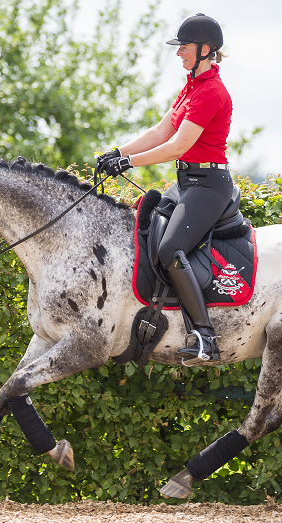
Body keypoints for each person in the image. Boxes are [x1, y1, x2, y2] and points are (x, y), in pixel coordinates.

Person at [99, 13, 233, 365]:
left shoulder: (213, 92)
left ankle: (205, 337)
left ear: (205, 50)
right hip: (186, 182)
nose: (179, 54)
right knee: (139, 226)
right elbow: (161, 131)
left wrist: (128, 164)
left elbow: (177, 145)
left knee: (172, 247)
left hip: (209, 185)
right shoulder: (191, 87)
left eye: (184, 48)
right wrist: (117, 152)